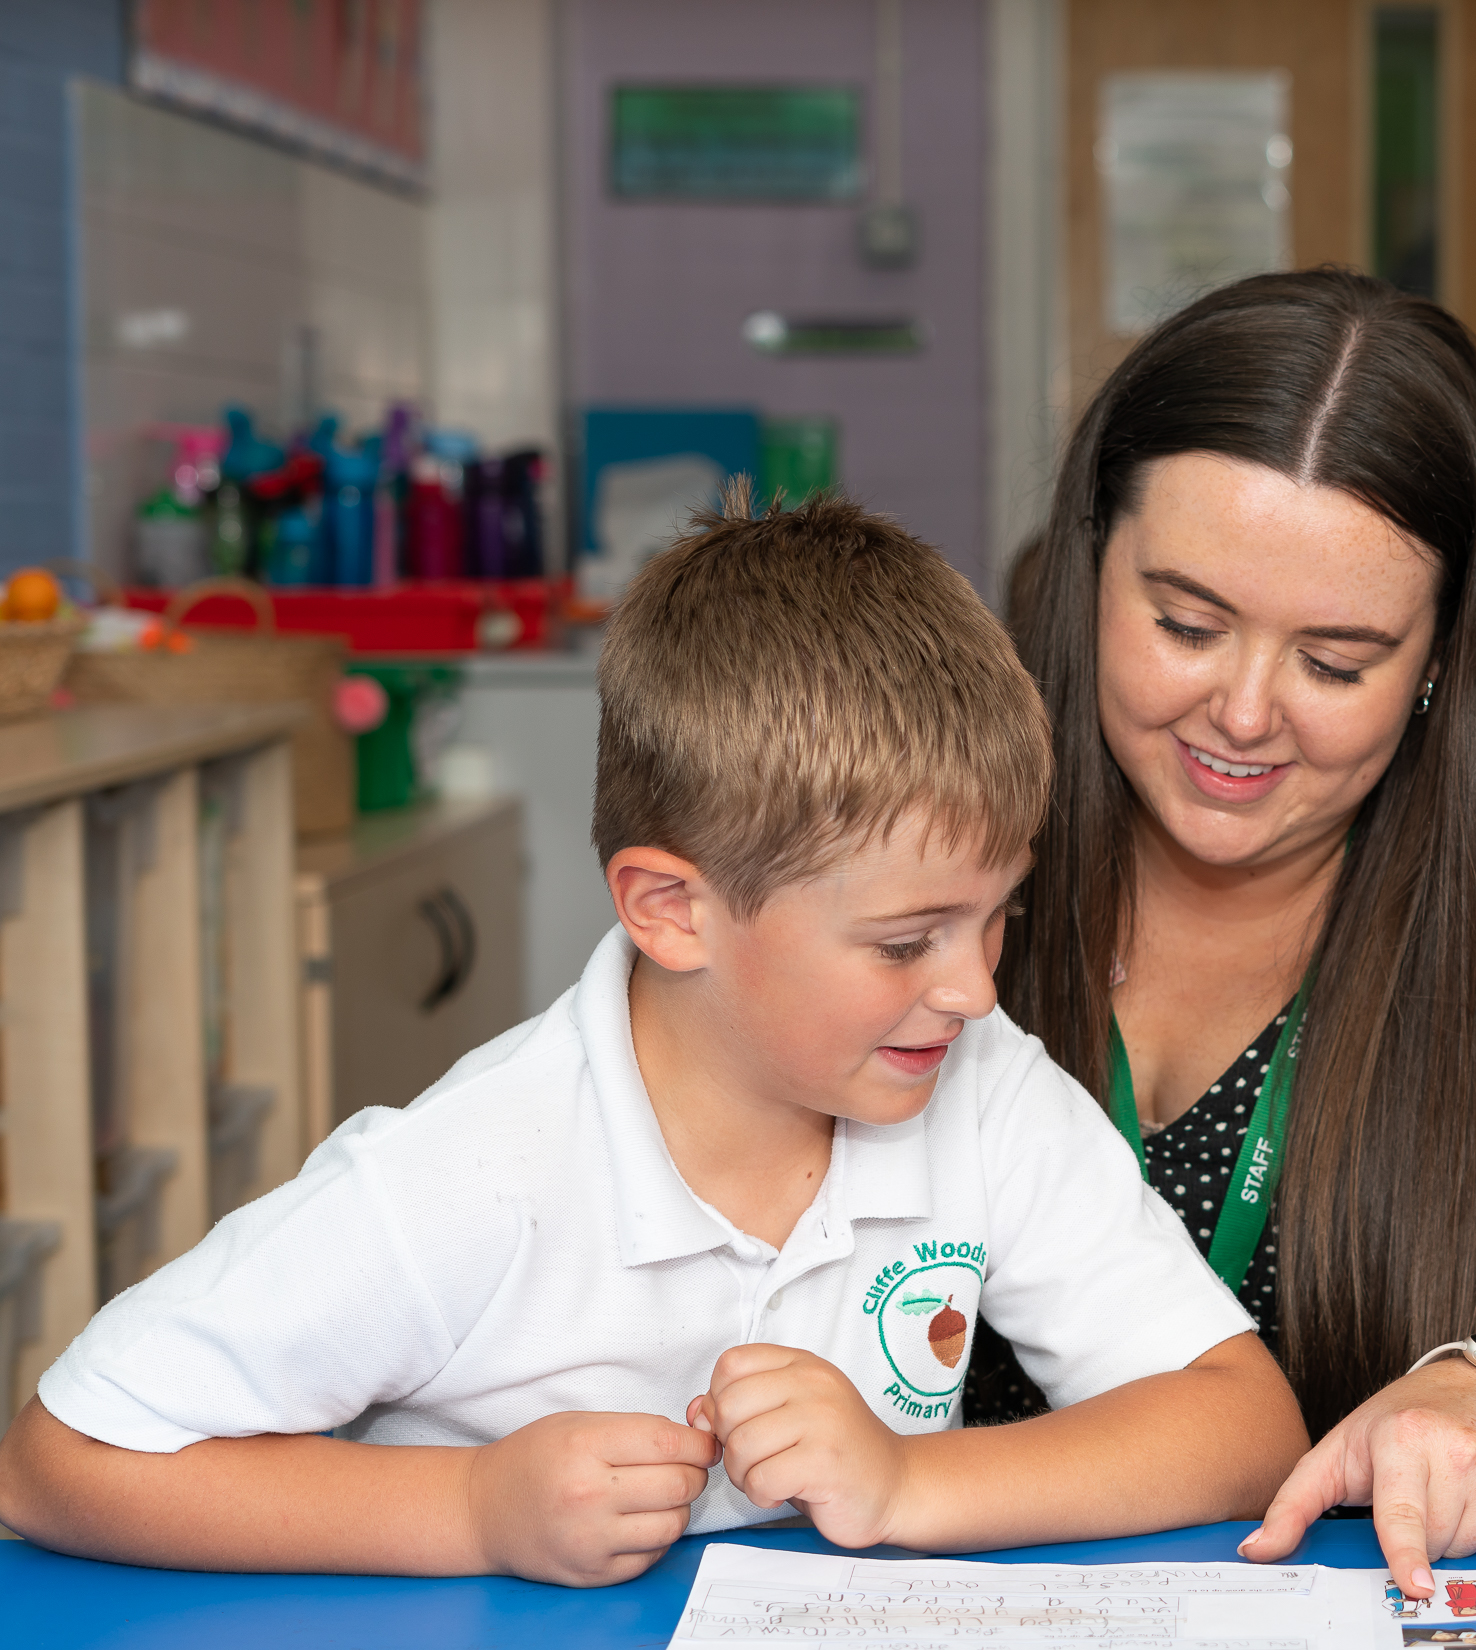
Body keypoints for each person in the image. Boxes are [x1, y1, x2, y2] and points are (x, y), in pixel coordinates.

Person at [0, 494, 1305, 1585]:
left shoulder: (982, 1087)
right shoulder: (471, 1171)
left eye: (997, 918)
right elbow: (58, 1460)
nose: (971, 988)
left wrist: (911, 1476)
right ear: (673, 911)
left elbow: (1239, 1421)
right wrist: (472, 1513)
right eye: (908, 940)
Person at [986, 270, 1476, 1596]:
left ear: (1444, 648)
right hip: (939, 1612)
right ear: (1090, 556)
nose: (1244, 711)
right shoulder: (924, 820)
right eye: (1184, 623)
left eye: (1337, 663)